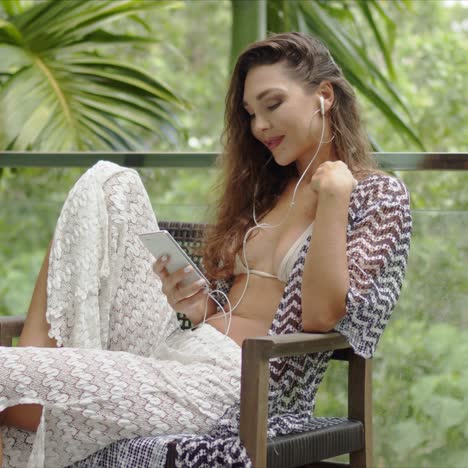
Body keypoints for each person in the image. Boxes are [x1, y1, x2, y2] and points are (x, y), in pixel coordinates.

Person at [0, 32, 412, 467]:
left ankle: (39, 378)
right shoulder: (265, 193)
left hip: (232, 386)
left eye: (272, 105)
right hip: (173, 351)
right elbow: (223, 306)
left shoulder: (375, 196)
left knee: (11, 392)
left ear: (323, 96)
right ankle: (42, 370)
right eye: (251, 114)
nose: (259, 127)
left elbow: (320, 316)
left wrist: (334, 199)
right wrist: (193, 307)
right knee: (109, 183)